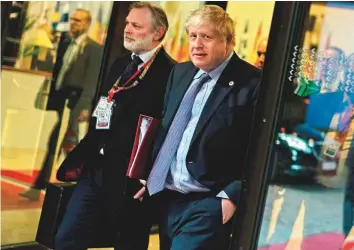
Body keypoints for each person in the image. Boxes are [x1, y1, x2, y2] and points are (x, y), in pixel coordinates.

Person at [134, 5, 261, 250]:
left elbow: (259, 151)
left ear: (228, 41)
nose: (197, 44)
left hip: (208, 202)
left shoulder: (252, 83)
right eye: (193, 36)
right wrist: (152, 174)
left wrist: (230, 196)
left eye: (207, 37)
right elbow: (168, 130)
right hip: (167, 199)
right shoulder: (180, 73)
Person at [54, 2, 176, 250]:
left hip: (131, 181)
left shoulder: (172, 73)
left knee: (128, 244)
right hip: (96, 168)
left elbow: (170, 132)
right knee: (67, 238)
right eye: (127, 23)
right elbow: (104, 106)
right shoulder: (121, 64)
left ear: (158, 33)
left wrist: (153, 177)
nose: (127, 29)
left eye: (136, 25)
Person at [19, 9, 103, 201]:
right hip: (62, 103)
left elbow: (91, 82)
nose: (73, 23)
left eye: (78, 20)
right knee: (61, 144)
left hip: (75, 106)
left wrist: (84, 108)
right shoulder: (66, 43)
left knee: (64, 145)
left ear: (87, 24)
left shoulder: (94, 49)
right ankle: (52, 186)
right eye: (72, 19)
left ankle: (71, 188)